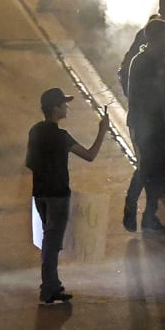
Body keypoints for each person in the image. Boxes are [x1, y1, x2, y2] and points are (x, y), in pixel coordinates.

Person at [26, 86, 105, 305]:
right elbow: (90, 155)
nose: (67, 107)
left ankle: (53, 283)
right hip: (58, 195)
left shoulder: (35, 131)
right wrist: (103, 131)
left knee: (49, 240)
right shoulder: (62, 137)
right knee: (52, 243)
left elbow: (29, 163)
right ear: (55, 109)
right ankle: (48, 288)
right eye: (64, 104)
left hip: (39, 193)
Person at [120, 6, 165, 232]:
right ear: (156, 39)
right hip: (144, 125)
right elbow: (161, 88)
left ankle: (150, 216)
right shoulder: (143, 62)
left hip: (158, 123)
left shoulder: (155, 58)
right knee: (146, 168)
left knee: (157, 170)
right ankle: (130, 207)